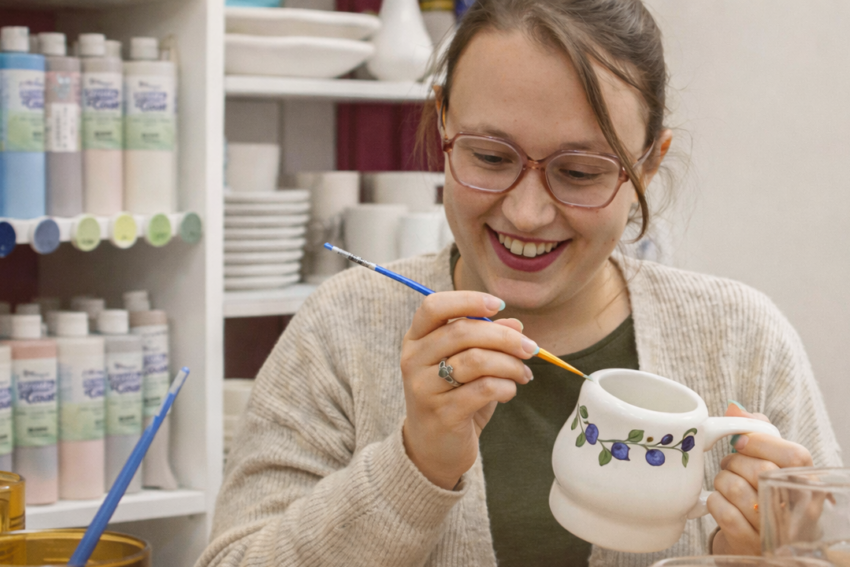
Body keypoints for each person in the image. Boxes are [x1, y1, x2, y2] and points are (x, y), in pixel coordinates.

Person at [197, 1, 842, 565]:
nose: (526, 213)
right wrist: (413, 465)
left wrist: (753, 558)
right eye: (489, 158)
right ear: (444, 125)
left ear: (648, 166)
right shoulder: (341, 332)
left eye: (581, 172)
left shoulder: (741, 339)